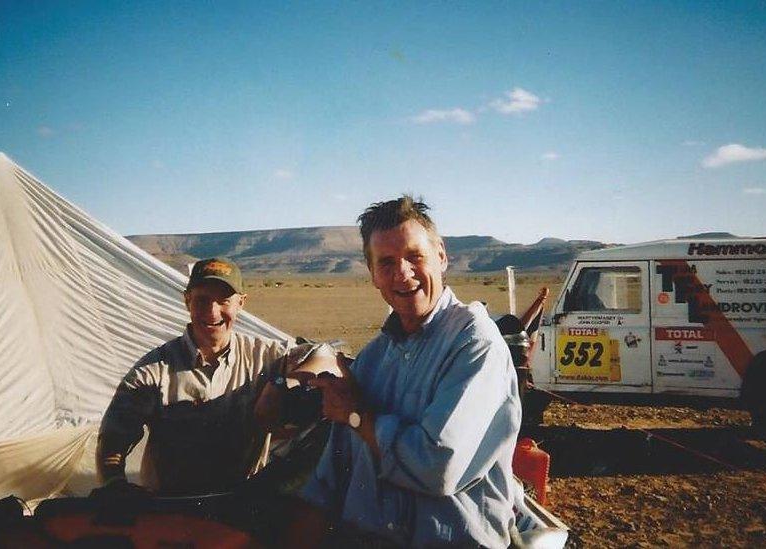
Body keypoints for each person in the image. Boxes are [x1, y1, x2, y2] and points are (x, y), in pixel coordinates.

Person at [292, 196, 522, 547]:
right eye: (386, 262)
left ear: (441, 256)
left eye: (415, 256)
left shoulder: (474, 342)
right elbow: (329, 481)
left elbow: (438, 467)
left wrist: (357, 415)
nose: (402, 273)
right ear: (372, 275)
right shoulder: (373, 358)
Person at [96, 257, 331, 495]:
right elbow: (113, 438)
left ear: (241, 303)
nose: (212, 311)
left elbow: (324, 353)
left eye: (224, 301)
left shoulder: (266, 355)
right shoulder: (154, 370)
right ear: (187, 301)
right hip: (172, 506)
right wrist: (114, 484)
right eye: (202, 300)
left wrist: (281, 383)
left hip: (240, 504)